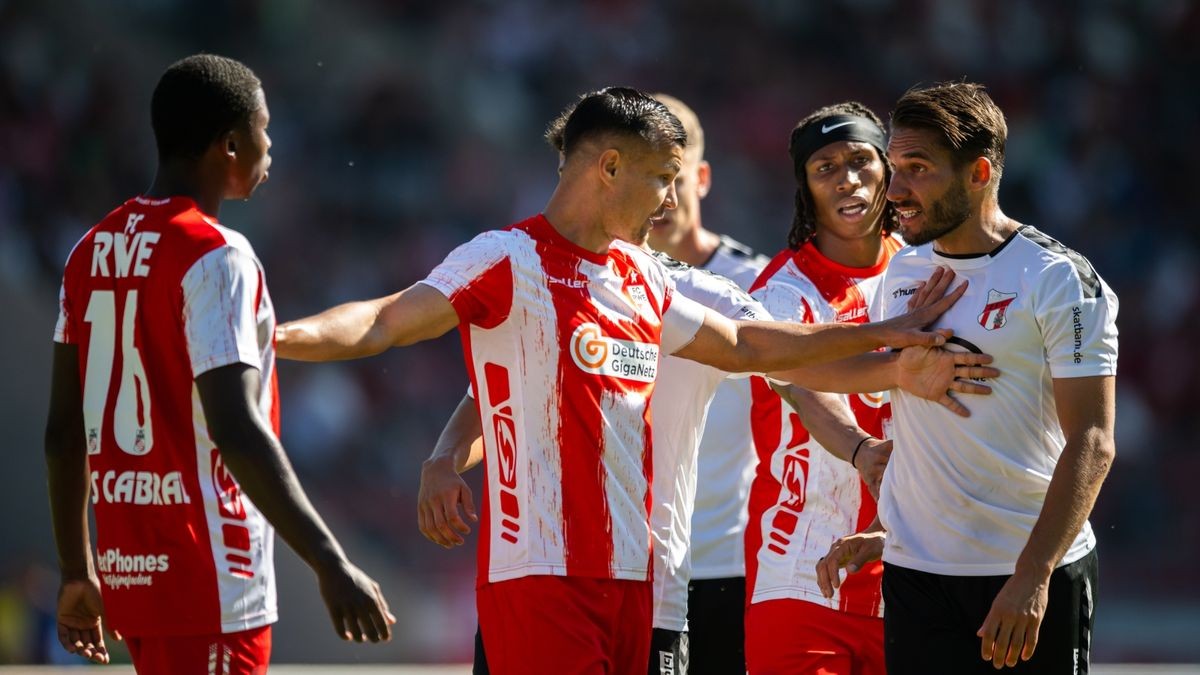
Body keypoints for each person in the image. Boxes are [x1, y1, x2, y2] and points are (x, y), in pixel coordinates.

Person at [274, 86, 984, 675]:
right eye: (659, 177)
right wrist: (273, 338)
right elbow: (383, 321)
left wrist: (884, 340)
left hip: (641, 582)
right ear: (610, 166)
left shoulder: (641, 275)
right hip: (542, 575)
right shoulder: (506, 258)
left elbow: (745, 344)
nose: (667, 199)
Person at [44, 54, 394, 673]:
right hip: (211, 580)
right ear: (230, 145)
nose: (271, 143)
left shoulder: (88, 252)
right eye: (263, 128)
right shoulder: (217, 256)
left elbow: (63, 433)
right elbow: (235, 430)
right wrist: (330, 562)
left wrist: (78, 570)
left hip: (133, 579)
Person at [817, 82, 1118, 674]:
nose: (895, 190)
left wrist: (1032, 577)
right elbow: (919, 422)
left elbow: (1093, 439)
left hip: (1026, 573)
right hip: (917, 575)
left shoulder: (1058, 279)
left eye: (918, 169)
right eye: (894, 166)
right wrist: (886, 531)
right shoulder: (903, 270)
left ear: (979, 173)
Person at [744, 101, 905, 674]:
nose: (847, 178)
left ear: (887, 169)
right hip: (800, 571)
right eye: (825, 167)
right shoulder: (781, 293)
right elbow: (805, 389)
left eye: (861, 160)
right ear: (805, 189)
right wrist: (863, 450)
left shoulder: (924, 271)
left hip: (913, 570)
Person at [645, 94, 769, 675]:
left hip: (727, 567)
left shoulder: (758, 282)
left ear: (703, 176)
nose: (662, 194)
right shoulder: (595, 279)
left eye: (673, 173)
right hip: (626, 563)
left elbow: (809, 400)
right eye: (646, 173)